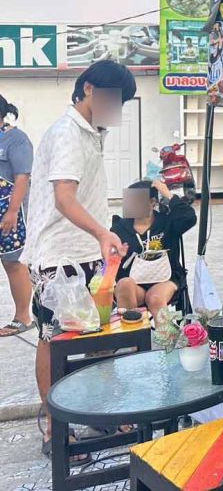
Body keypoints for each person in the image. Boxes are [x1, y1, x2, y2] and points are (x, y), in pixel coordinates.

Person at [22, 60, 135, 458]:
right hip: (57, 258)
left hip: (89, 254)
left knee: (99, 335)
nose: (115, 108)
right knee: (54, 340)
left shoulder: (92, 132)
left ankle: (97, 412)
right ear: (88, 89)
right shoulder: (67, 132)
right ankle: (56, 429)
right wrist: (103, 233)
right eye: (113, 98)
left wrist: (106, 235)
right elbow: (64, 198)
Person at [113, 179, 195, 317]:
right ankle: (132, 329)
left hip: (165, 279)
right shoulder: (119, 228)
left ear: (152, 202)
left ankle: (166, 332)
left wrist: (168, 194)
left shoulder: (167, 222)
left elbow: (189, 218)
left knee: (155, 298)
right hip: (134, 282)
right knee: (124, 285)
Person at [0, 94, 33, 337]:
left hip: (8, 211)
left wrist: (12, 211)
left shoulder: (16, 139)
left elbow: (23, 177)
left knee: (12, 262)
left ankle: (23, 317)